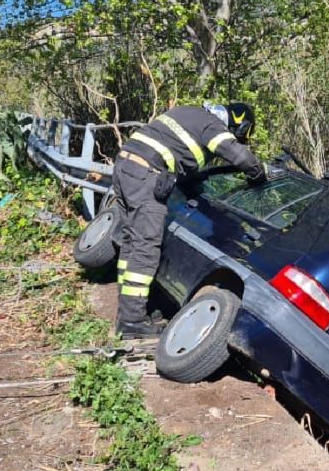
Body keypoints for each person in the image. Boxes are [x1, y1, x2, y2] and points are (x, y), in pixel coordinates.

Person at [111, 101, 267, 338]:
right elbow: (238, 155)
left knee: (131, 243)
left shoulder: (190, 113)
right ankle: (132, 322)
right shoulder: (212, 126)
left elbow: (184, 168)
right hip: (146, 175)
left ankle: (130, 310)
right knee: (146, 248)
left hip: (126, 166)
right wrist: (258, 174)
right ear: (238, 123)